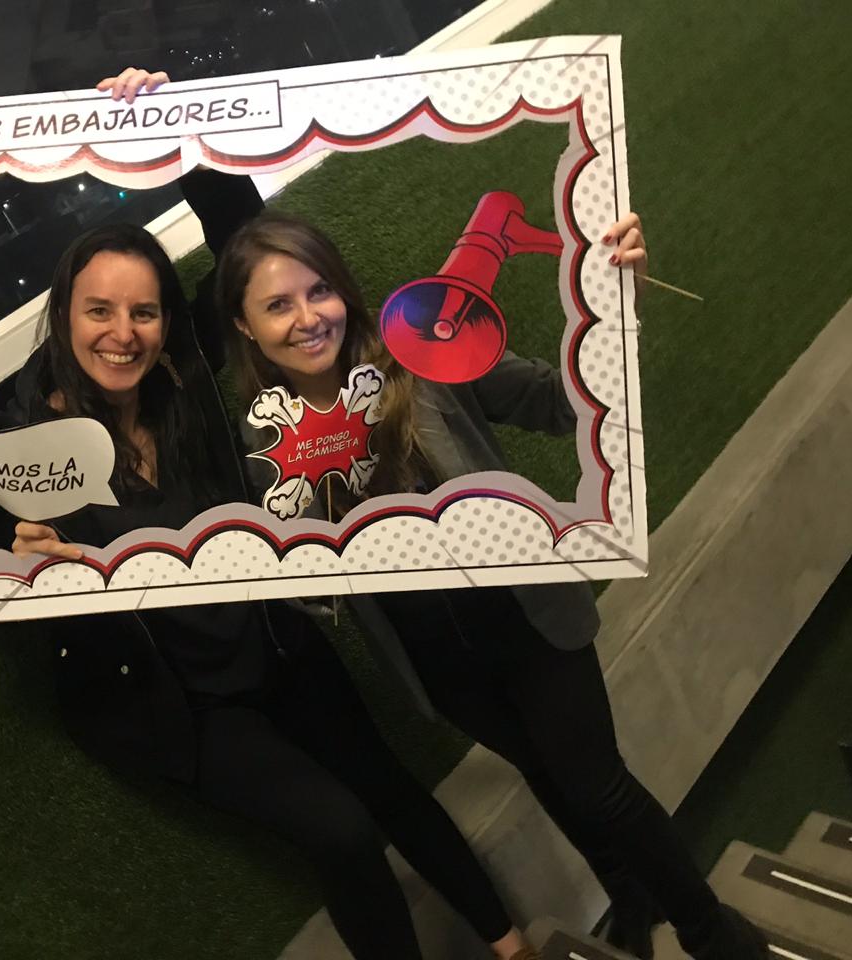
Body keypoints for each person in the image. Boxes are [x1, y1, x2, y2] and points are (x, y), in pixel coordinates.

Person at [0, 65, 544, 960]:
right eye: (98, 311)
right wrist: (19, 560)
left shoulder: (187, 388)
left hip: (273, 639)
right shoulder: (15, 439)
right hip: (179, 703)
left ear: (168, 323)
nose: (122, 332)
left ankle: (511, 946)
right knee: (341, 831)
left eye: (144, 311)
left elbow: (241, 232)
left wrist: (173, 120)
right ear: (63, 316)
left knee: (387, 786)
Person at [211, 202, 771, 960]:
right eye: (278, 305)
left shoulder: (417, 350)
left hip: (526, 616)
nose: (308, 319)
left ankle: (715, 936)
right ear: (244, 327)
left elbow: (558, 404)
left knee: (596, 783)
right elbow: (312, 582)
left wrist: (616, 311)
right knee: (546, 772)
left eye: (320, 291)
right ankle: (629, 895)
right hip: (435, 659)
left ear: (345, 291)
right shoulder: (263, 437)